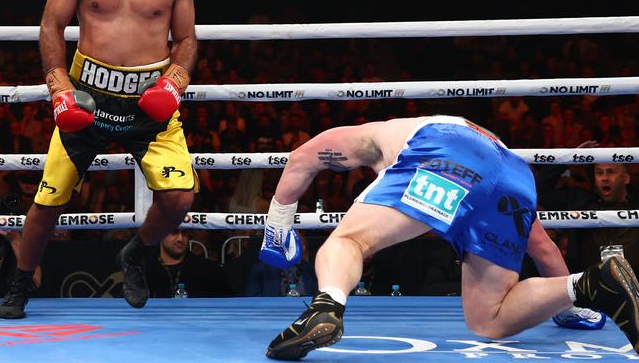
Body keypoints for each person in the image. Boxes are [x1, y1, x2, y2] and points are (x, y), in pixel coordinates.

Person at [259, 115, 639, 360]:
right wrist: (568, 308)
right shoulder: (492, 148)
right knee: (489, 320)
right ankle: (593, 282)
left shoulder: (372, 135)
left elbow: (302, 158)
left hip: (441, 153)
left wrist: (277, 225)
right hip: (515, 176)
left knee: (348, 242)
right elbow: (542, 246)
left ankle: (326, 306)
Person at [0, 0, 197, 319]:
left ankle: (137, 253)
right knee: (48, 201)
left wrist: (174, 82)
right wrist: (59, 88)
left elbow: (185, 39)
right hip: (88, 98)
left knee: (180, 197)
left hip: (149, 100)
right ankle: (18, 286)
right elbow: (51, 24)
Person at [146, 229, 231, 298]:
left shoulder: (208, 269)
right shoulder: (143, 269)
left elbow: (228, 305)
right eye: (174, 232)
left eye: (184, 233)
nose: (180, 238)